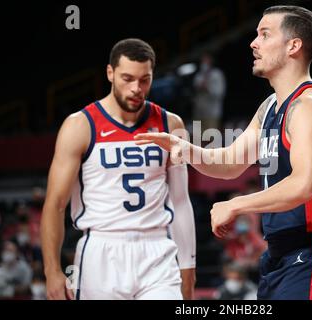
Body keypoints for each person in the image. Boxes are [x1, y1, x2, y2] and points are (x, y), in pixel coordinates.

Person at [135, 6, 312, 300]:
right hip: (280, 254)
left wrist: (236, 204)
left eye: (265, 35)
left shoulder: (310, 107)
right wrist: (185, 149)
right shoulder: (269, 106)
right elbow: (230, 162)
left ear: (293, 45)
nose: (254, 43)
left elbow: (304, 184)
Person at [40, 38, 196, 300]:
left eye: (144, 80)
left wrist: (188, 267)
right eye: (127, 78)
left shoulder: (172, 124)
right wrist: (52, 270)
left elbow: (181, 201)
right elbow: (55, 204)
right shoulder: (80, 125)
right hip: (101, 249)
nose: (136, 88)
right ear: (110, 73)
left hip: (157, 249)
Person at [192, 53, 226, 131]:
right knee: (198, 139)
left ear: (211, 61)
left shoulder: (217, 74)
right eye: (202, 61)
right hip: (199, 112)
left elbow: (220, 93)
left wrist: (207, 88)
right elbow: (195, 90)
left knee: (211, 138)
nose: (203, 63)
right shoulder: (199, 75)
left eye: (206, 61)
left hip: (212, 113)